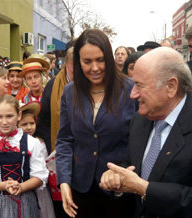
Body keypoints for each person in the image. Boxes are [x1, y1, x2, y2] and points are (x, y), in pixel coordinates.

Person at [100, 47, 192, 217]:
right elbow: (134, 166)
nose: (133, 94)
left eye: (140, 86)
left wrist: (143, 188)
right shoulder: (140, 120)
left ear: (171, 86)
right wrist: (117, 178)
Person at [55, 29, 135, 218]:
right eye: (87, 61)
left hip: (120, 188)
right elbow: (65, 140)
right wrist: (64, 182)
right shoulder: (70, 92)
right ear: (78, 62)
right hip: (81, 188)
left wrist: (124, 171)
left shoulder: (130, 89)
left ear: (109, 57)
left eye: (100, 60)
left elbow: (139, 140)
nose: (95, 68)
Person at [0, 95, 48, 218]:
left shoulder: (32, 143)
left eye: (9, 116)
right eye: (0, 117)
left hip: (26, 201)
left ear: (19, 115)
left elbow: (39, 176)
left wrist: (21, 187)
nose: (4, 122)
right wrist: (4, 185)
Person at [35, 46, 74, 218]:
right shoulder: (53, 84)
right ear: (66, 65)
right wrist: (52, 148)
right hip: (56, 151)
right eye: (74, 67)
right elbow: (43, 120)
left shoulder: (89, 85)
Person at [18, 101, 55, 218]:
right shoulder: (15, 145)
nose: (29, 127)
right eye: (24, 124)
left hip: (39, 187)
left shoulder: (40, 142)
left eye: (31, 123)